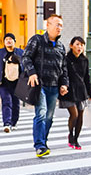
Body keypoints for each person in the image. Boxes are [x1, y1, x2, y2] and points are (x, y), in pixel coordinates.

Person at [22, 14, 69, 158]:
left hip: (54, 86)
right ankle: (40, 145)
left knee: (49, 117)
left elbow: (64, 68)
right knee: (41, 113)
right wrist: (31, 73)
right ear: (47, 25)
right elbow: (26, 57)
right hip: (39, 84)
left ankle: (44, 141)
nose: (59, 27)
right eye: (56, 24)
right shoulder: (37, 40)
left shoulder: (61, 46)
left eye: (61, 25)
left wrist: (64, 84)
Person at [60, 36, 91, 150]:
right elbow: (62, 74)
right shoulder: (66, 59)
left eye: (82, 45)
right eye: (77, 44)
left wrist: (90, 93)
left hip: (81, 90)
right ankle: (71, 134)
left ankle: (76, 139)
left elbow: (86, 77)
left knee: (80, 116)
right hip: (69, 90)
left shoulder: (84, 60)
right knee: (74, 114)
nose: (80, 47)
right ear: (71, 45)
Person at [0, 33, 23, 133]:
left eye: (11, 39)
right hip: (3, 83)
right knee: (6, 101)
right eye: (6, 39)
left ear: (15, 41)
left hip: (17, 83)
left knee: (15, 103)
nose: (8, 41)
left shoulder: (20, 52)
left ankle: (14, 122)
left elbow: (26, 67)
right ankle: (7, 123)